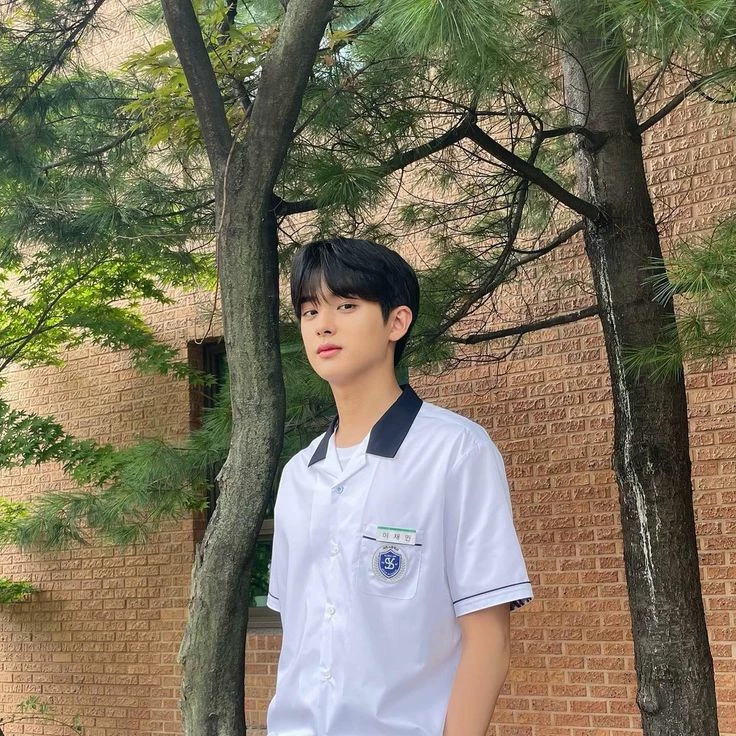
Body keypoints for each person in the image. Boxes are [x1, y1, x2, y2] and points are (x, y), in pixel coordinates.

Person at [265, 237, 533, 736]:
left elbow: (488, 638)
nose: (323, 325)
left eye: (346, 305)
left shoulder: (456, 451)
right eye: (309, 311)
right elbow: (299, 634)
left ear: (397, 322)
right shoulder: (299, 474)